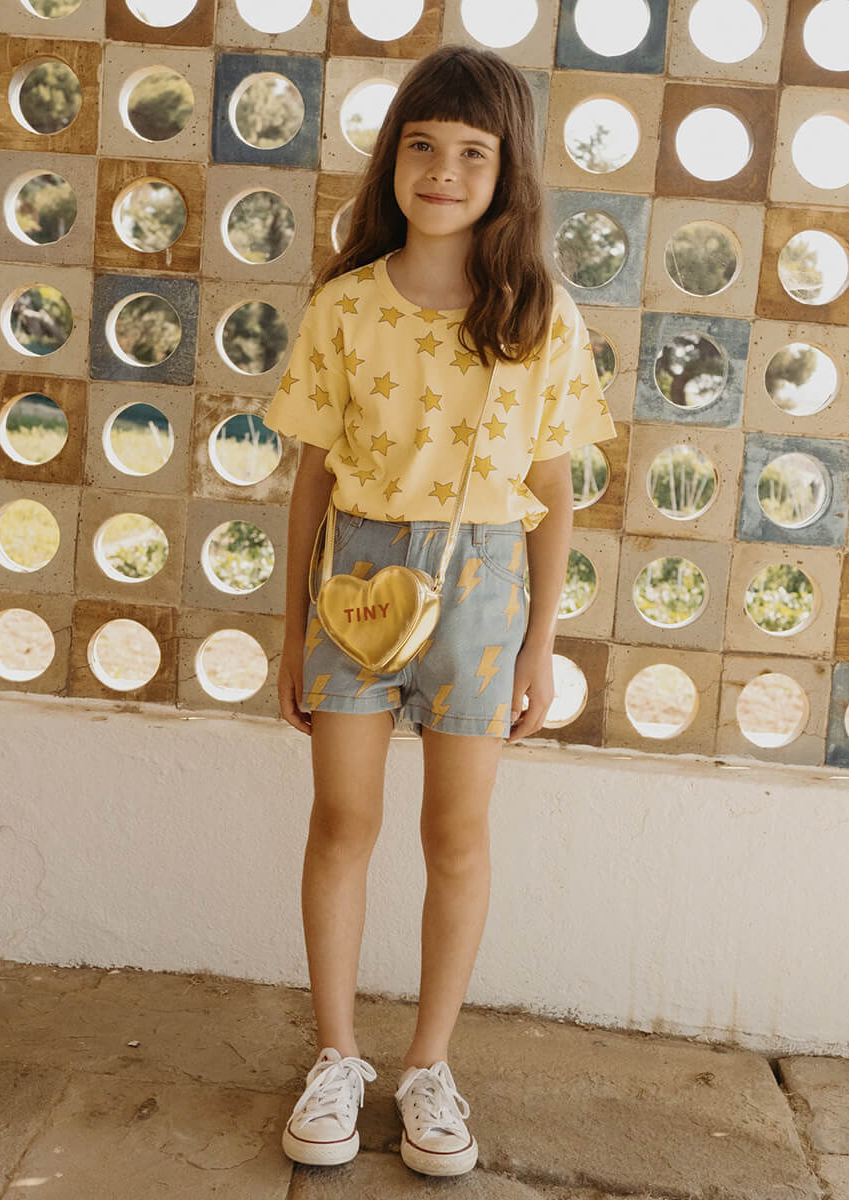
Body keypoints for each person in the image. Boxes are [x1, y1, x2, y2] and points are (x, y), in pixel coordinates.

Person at [262, 44, 616, 1178]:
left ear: (508, 173)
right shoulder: (345, 307)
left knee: (456, 835)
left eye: (473, 153)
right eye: (423, 146)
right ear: (393, 160)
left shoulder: (539, 316)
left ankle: (428, 1068)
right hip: (355, 585)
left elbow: (554, 490)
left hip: (483, 590)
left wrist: (541, 646)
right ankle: (335, 1058)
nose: (444, 172)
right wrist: (291, 631)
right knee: (342, 821)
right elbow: (310, 482)